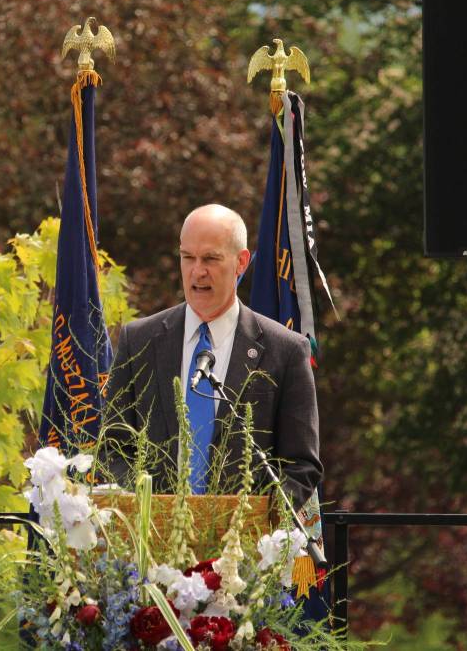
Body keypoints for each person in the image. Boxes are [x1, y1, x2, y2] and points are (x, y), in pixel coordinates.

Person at [104, 204, 321, 505]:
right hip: (155, 542)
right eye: (187, 257)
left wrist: (254, 526)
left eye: (210, 258)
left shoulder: (284, 350)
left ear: (241, 262)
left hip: (243, 544)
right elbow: (113, 448)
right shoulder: (139, 340)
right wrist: (147, 510)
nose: (197, 271)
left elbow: (300, 466)